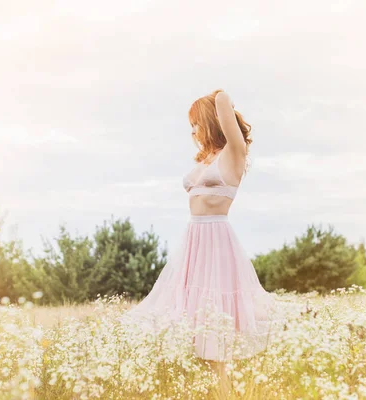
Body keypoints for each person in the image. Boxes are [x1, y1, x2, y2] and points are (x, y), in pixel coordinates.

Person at [122, 89, 303, 397]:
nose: (192, 132)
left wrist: (218, 99)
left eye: (196, 123)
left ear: (211, 120)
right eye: (190, 125)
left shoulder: (234, 153)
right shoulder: (206, 158)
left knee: (215, 327)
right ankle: (204, 391)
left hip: (217, 242)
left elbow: (222, 99)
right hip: (193, 242)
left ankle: (224, 393)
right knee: (189, 322)